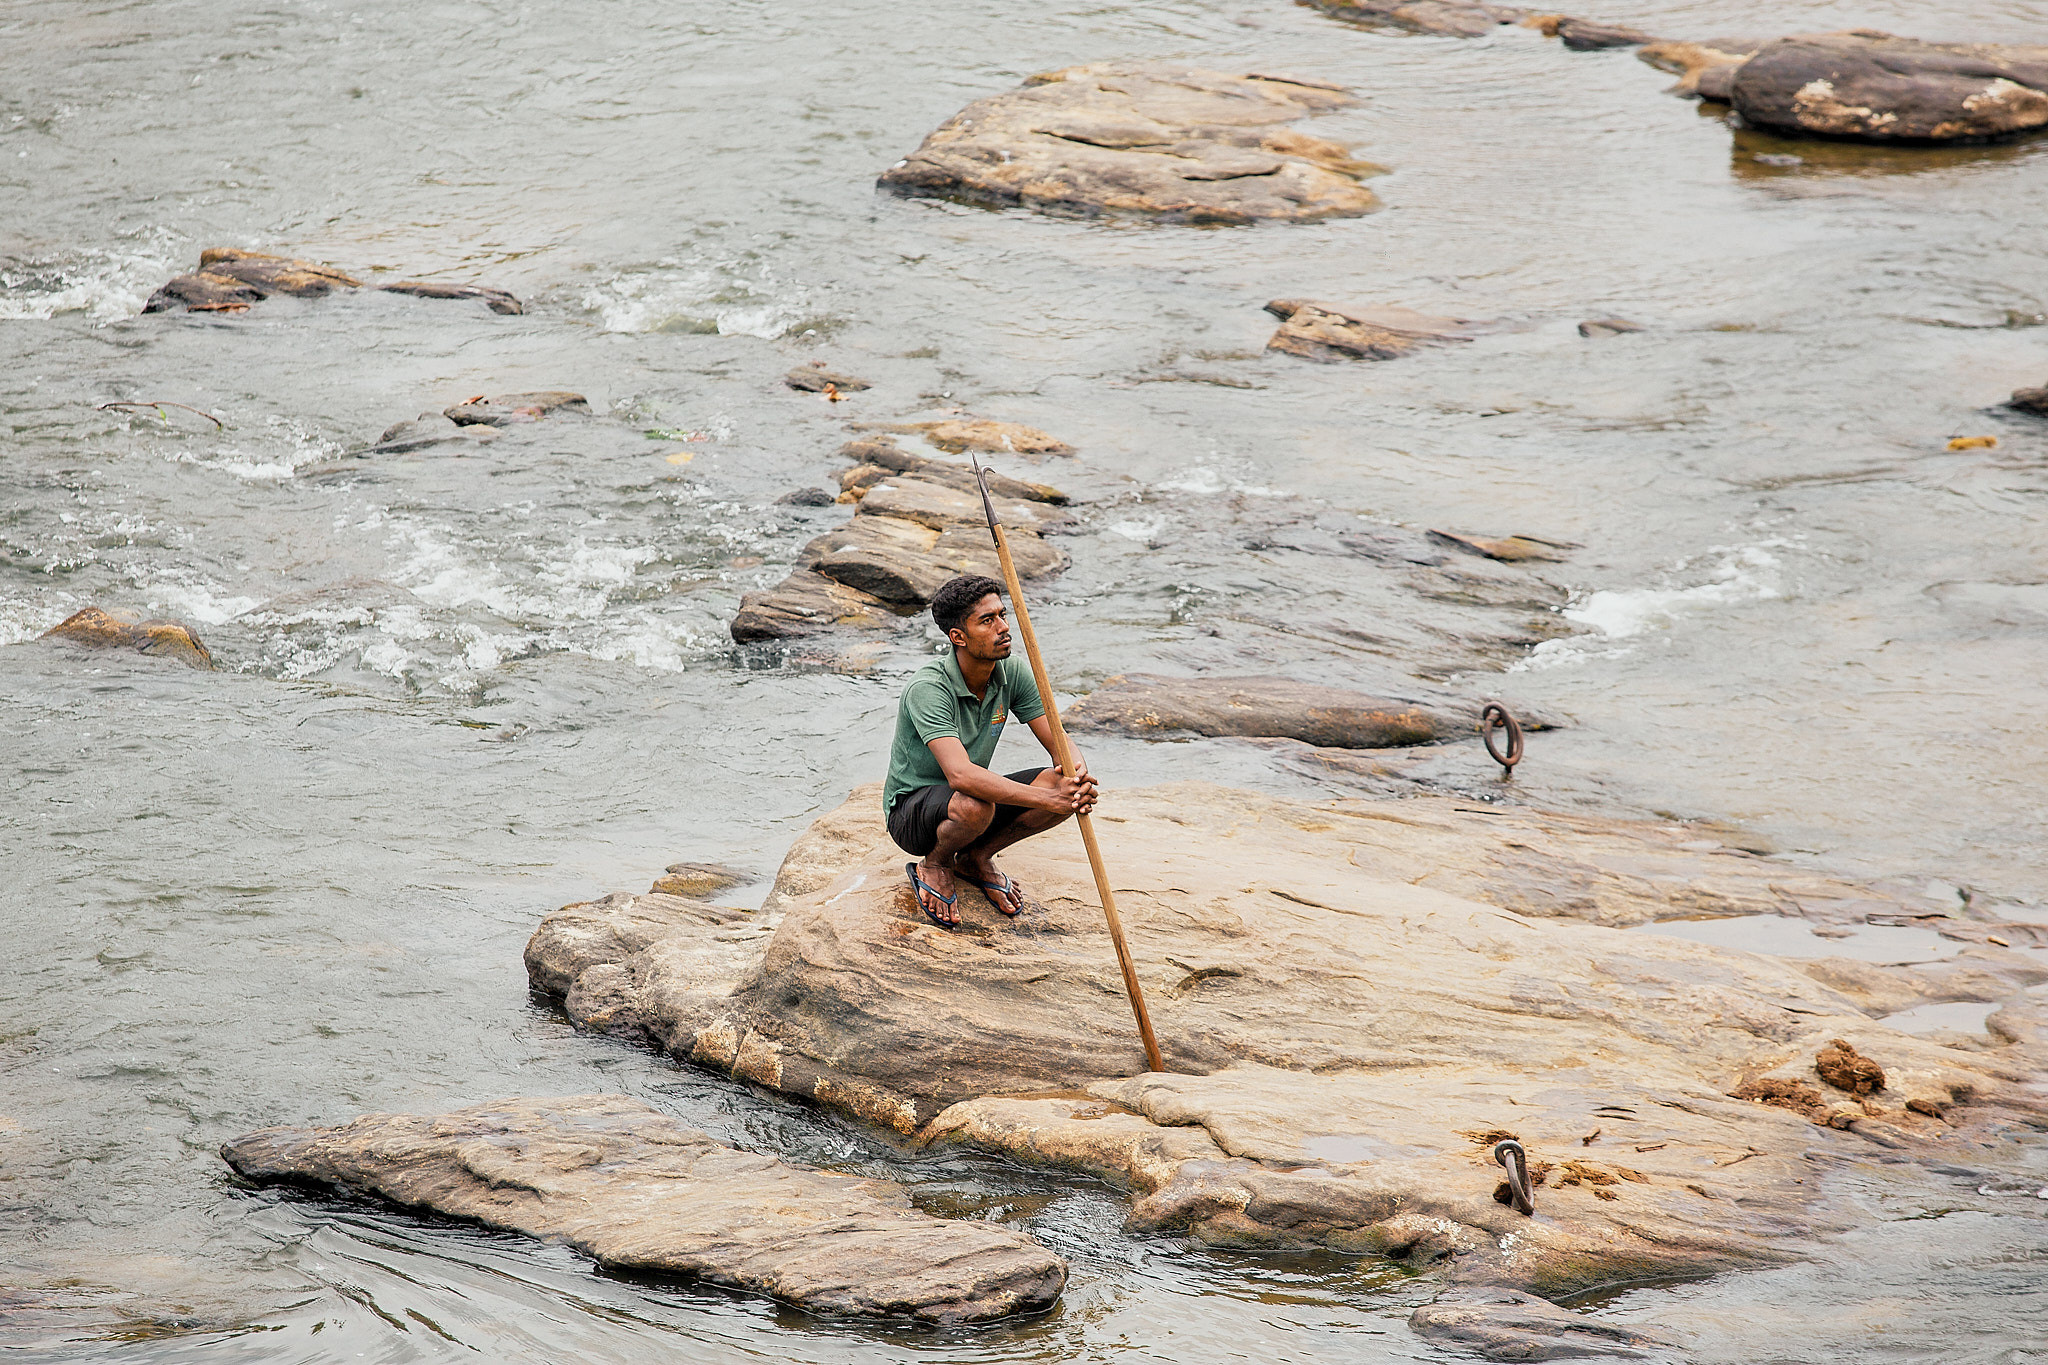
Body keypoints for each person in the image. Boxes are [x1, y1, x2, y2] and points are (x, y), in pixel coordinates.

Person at [883, 574, 1097, 927]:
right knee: (975, 804)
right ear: (958, 637)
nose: (1003, 627)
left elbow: (1059, 741)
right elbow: (961, 775)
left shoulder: (1010, 671)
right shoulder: (929, 688)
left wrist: (1078, 778)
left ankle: (975, 856)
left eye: (1002, 614)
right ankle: (935, 863)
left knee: (1065, 787)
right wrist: (1046, 801)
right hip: (913, 812)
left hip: (971, 802)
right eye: (987, 620)